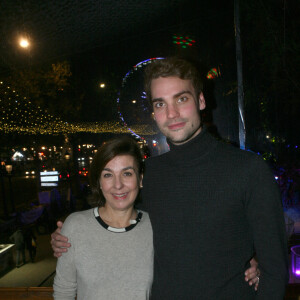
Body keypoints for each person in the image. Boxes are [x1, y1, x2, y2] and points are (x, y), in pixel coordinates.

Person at [51, 57, 288, 298]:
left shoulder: (248, 170)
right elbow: (115, 220)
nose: (172, 113)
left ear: (201, 100)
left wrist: (255, 262)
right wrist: (67, 238)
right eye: (160, 104)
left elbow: (275, 269)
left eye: (181, 99)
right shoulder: (147, 174)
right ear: (154, 112)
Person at [53, 137, 153, 299]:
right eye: (108, 175)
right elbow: (64, 291)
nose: (118, 185)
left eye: (127, 173)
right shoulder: (76, 226)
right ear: (99, 182)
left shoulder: (155, 227)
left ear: (140, 179)